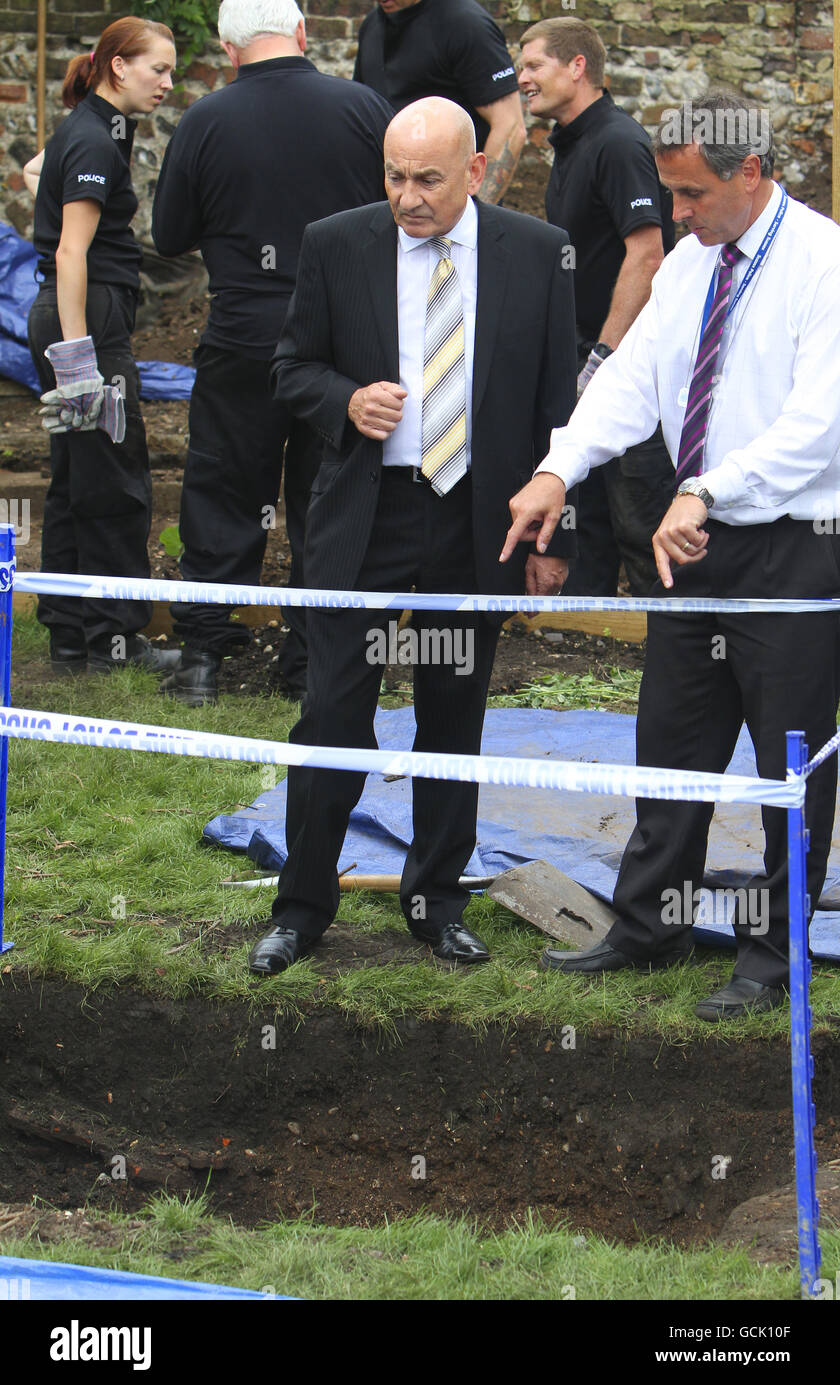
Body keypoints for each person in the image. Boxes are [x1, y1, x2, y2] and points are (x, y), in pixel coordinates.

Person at [500, 90, 840, 1021]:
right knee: (671, 745)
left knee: (788, 768)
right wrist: (556, 470)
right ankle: (649, 925)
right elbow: (632, 385)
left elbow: (821, 428)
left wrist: (708, 491)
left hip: (795, 552)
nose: (677, 217)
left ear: (752, 173)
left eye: (692, 195)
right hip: (691, 545)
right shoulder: (692, 267)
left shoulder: (825, 265)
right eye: (672, 194)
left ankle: (772, 959)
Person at [247, 96, 577, 975]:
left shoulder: (537, 256)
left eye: (428, 178)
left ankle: (435, 904)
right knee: (331, 716)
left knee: (452, 718)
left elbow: (558, 407)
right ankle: (303, 906)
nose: (407, 196)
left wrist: (554, 536)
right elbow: (290, 369)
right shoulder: (336, 242)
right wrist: (344, 402)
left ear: (476, 171)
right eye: (393, 175)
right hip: (368, 516)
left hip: (479, 518)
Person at [152, 0, 393, 704]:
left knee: (225, 489)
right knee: (329, 500)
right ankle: (310, 664)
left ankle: (202, 657)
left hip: (243, 339)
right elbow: (399, 213)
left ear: (228, 50)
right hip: (339, 344)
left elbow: (168, 235)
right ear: (302, 33)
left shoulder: (203, 120)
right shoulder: (362, 109)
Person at [25, 18, 182, 676]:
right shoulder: (95, 139)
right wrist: (79, 360)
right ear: (119, 68)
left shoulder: (92, 128)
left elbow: (37, 170)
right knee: (117, 478)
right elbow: (70, 250)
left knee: (77, 475)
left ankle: (69, 633)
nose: (169, 85)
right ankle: (116, 640)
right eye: (159, 70)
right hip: (82, 319)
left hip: (71, 314)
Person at [518, 17, 675, 598]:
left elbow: (648, 253)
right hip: (593, 353)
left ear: (576, 66)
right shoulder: (574, 144)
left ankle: (672, 639)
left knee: (640, 511)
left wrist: (604, 355)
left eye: (533, 65)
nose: (522, 79)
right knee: (594, 507)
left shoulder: (616, 141)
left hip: (630, 363)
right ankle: (596, 628)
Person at [353, 0, 525, 205]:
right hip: (393, 210)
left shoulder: (465, 23)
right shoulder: (372, 25)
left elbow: (510, 126)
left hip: (452, 213)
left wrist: (475, 213)